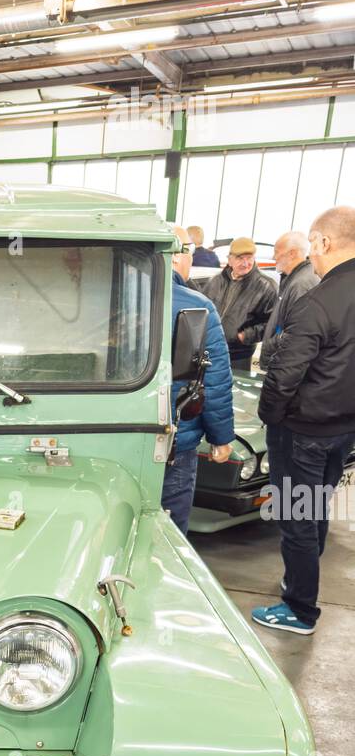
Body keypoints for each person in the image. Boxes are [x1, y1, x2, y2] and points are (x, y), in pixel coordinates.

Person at [253, 205, 355, 635]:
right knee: (316, 508)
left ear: (324, 242)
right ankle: (301, 578)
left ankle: (299, 608)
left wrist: (270, 417)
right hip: (343, 430)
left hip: (304, 431)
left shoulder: (319, 300)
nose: (311, 254)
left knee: (296, 515)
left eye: (312, 244)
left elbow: (286, 372)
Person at [162, 226, 234, 535]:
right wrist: (221, 437)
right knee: (171, 527)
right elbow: (215, 380)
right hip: (174, 441)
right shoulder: (197, 305)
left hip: (115, 437)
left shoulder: (113, 298)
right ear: (178, 256)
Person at [203, 237, 276, 369]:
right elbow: (202, 311)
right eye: (240, 258)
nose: (245, 263)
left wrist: (245, 336)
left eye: (249, 258)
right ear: (230, 260)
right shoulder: (215, 281)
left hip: (239, 355)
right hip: (210, 351)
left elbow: (272, 323)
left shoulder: (266, 286)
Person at [259, 231, 319, 370]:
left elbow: (296, 333)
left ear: (292, 253)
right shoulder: (295, 279)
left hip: (283, 364)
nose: (274, 257)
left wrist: (270, 345)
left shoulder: (301, 284)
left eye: (277, 251)